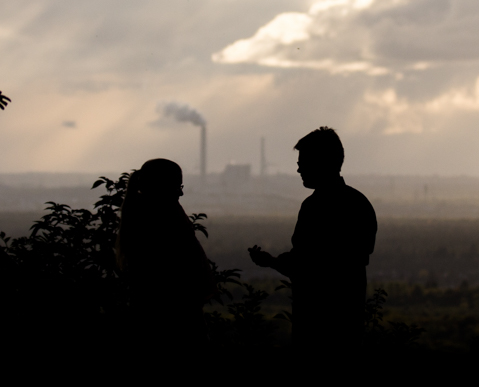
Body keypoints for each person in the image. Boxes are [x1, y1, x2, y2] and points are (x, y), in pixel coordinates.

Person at [248, 127, 377, 351]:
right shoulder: (359, 203)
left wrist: (271, 262)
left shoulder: (315, 207)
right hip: (348, 322)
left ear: (322, 162)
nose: (298, 168)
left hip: (316, 324)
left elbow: (309, 264)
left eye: (303, 161)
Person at [116, 158, 216, 347]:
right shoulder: (158, 217)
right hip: (172, 312)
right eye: (176, 186)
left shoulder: (148, 212)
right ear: (161, 186)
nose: (181, 192)